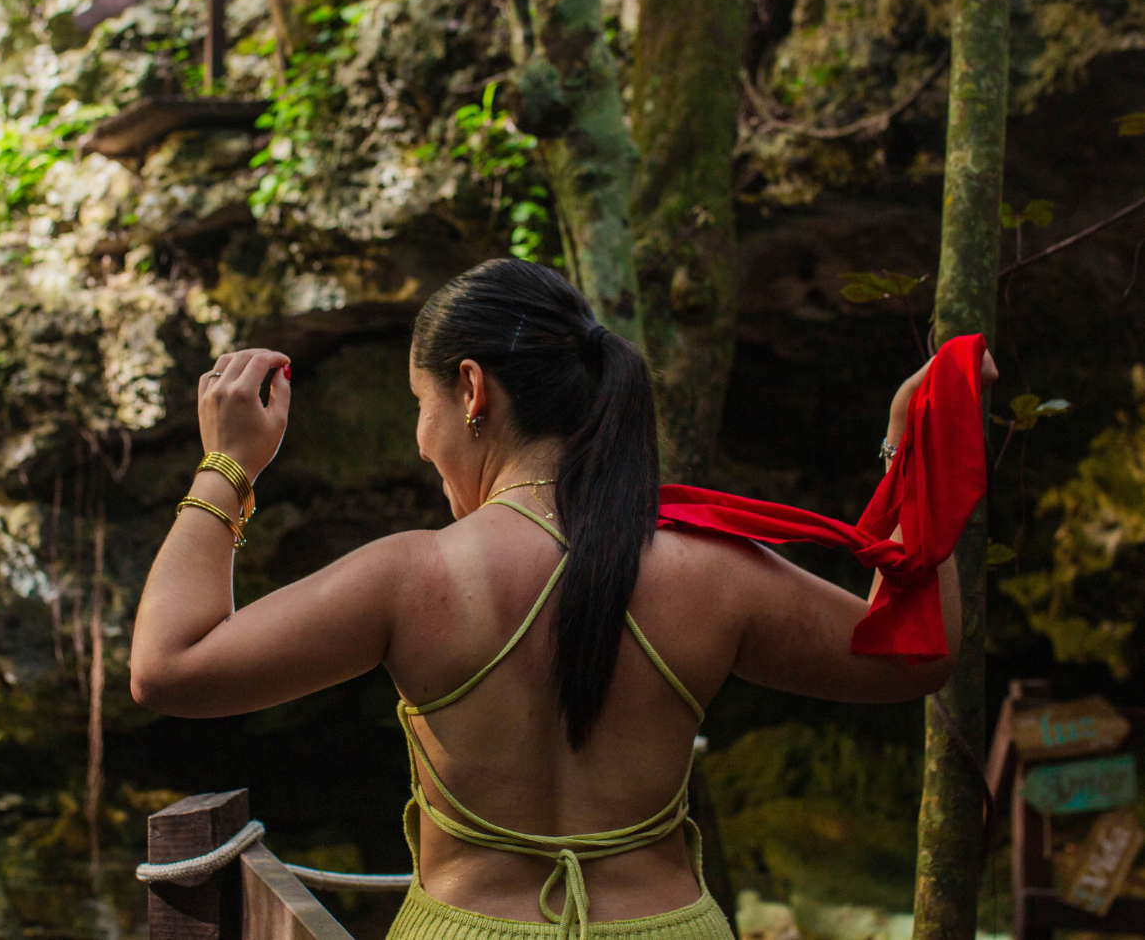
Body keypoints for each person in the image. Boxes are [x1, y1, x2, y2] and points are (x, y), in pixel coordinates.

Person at [131, 258, 997, 940]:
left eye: (418, 404)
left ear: (472, 391)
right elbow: (914, 657)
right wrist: (911, 447)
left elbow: (169, 666)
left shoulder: (409, 576)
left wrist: (228, 465)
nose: (420, 438)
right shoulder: (710, 570)